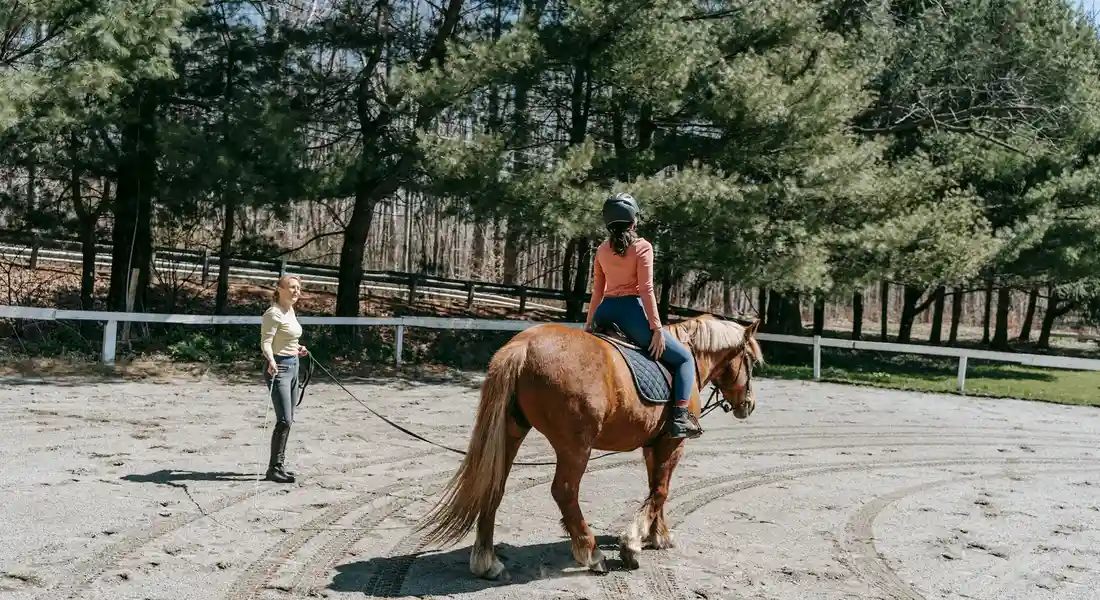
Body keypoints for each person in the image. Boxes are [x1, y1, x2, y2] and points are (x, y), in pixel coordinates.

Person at [584, 192, 703, 439]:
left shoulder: (602, 250)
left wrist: (588, 324)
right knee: (683, 359)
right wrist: (657, 328)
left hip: (605, 311)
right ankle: (680, 417)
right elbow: (646, 289)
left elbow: (597, 291)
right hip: (631, 313)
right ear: (633, 221)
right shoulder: (642, 246)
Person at [260, 274, 309, 483]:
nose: (296, 291)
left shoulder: (290, 311)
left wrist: (297, 348)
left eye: (298, 287)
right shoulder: (273, 313)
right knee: (284, 420)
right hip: (278, 368)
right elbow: (266, 342)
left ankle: (280, 465)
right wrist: (271, 360)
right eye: (291, 287)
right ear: (279, 289)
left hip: (294, 366)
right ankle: (274, 468)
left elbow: (288, 338)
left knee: (289, 420)